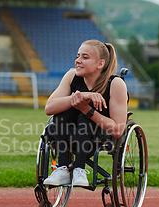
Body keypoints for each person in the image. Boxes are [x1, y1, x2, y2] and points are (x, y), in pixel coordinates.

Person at [43, 40, 128, 187]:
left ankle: (79, 169)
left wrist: (87, 109)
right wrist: (83, 96)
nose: (78, 61)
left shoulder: (115, 84)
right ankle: (62, 168)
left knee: (85, 117)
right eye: (77, 56)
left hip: (97, 133)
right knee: (59, 114)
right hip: (69, 129)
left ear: (100, 64)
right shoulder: (71, 76)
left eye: (85, 57)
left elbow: (118, 130)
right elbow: (49, 108)